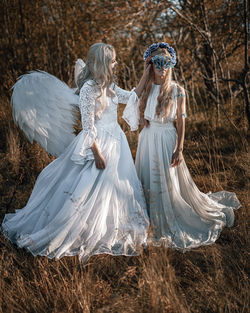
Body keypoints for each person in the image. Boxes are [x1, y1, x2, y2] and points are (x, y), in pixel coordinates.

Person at [1, 42, 150, 262]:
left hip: (116, 141)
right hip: (97, 144)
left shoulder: (109, 85)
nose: (116, 63)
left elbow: (132, 96)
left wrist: (146, 72)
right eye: (113, 60)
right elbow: (89, 127)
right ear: (102, 63)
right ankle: (74, 228)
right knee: (89, 188)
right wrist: (97, 154)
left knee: (114, 187)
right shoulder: (89, 89)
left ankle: (112, 224)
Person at [134, 42, 241, 249]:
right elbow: (133, 104)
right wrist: (141, 113)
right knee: (148, 178)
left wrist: (179, 149)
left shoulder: (176, 90)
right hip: (147, 139)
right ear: (150, 64)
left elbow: (181, 120)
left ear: (171, 65)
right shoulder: (146, 88)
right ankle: (148, 217)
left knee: (167, 179)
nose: (162, 67)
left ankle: (171, 214)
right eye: (157, 63)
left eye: (166, 63)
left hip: (166, 138)